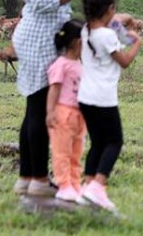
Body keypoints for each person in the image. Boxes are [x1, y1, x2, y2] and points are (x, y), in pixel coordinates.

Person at [12, 0, 143, 197]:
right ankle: (38, 180)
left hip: (42, 35)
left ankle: (27, 177)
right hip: (37, 37)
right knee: (38, 108)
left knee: (34, 107)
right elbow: (39, 0)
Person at [78, 0, 141, 211]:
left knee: (97, 142)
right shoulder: (107, 35)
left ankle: (87, 185)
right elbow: (124, 61)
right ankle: (99, 185)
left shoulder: (85, 30)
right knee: (115, 141)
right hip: (103, 98)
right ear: (109, 9)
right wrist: (137, 43)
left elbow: (117, 19)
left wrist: (124, 18)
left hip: (85, 97)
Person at [45, 19, 85, 202]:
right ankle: (63, 184)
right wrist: (50, 112)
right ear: (78, 42)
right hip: (63, 114)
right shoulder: (61, 65)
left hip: (79, 116)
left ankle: (75, 183)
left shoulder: (80, 64)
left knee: (76, 151)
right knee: (62, 151)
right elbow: (54, 89)